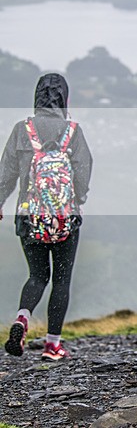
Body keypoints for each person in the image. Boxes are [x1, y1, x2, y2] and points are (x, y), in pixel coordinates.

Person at [1, 73, 93, 360]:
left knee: (37, 275)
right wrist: (77, 200)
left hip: (29, 216)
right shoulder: (72, 131)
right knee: (61, 280)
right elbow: (84, 170)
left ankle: (22, 317)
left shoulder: (22, 129)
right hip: (66, 219)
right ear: (65, 98)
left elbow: (7, 172)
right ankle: (53, 345)